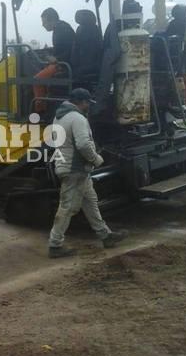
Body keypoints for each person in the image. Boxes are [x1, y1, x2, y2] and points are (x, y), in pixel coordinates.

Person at [48, 88, 128, 258]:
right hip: (75, 169)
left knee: (90, 203)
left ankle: (106, 236)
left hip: (72, 167)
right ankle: (55, 245)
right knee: (67, 207)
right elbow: (83, 144)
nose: (88, 106)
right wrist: (96, 159)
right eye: (87, 103)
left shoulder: (59, 117)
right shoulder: (77, 118)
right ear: (82, 102)